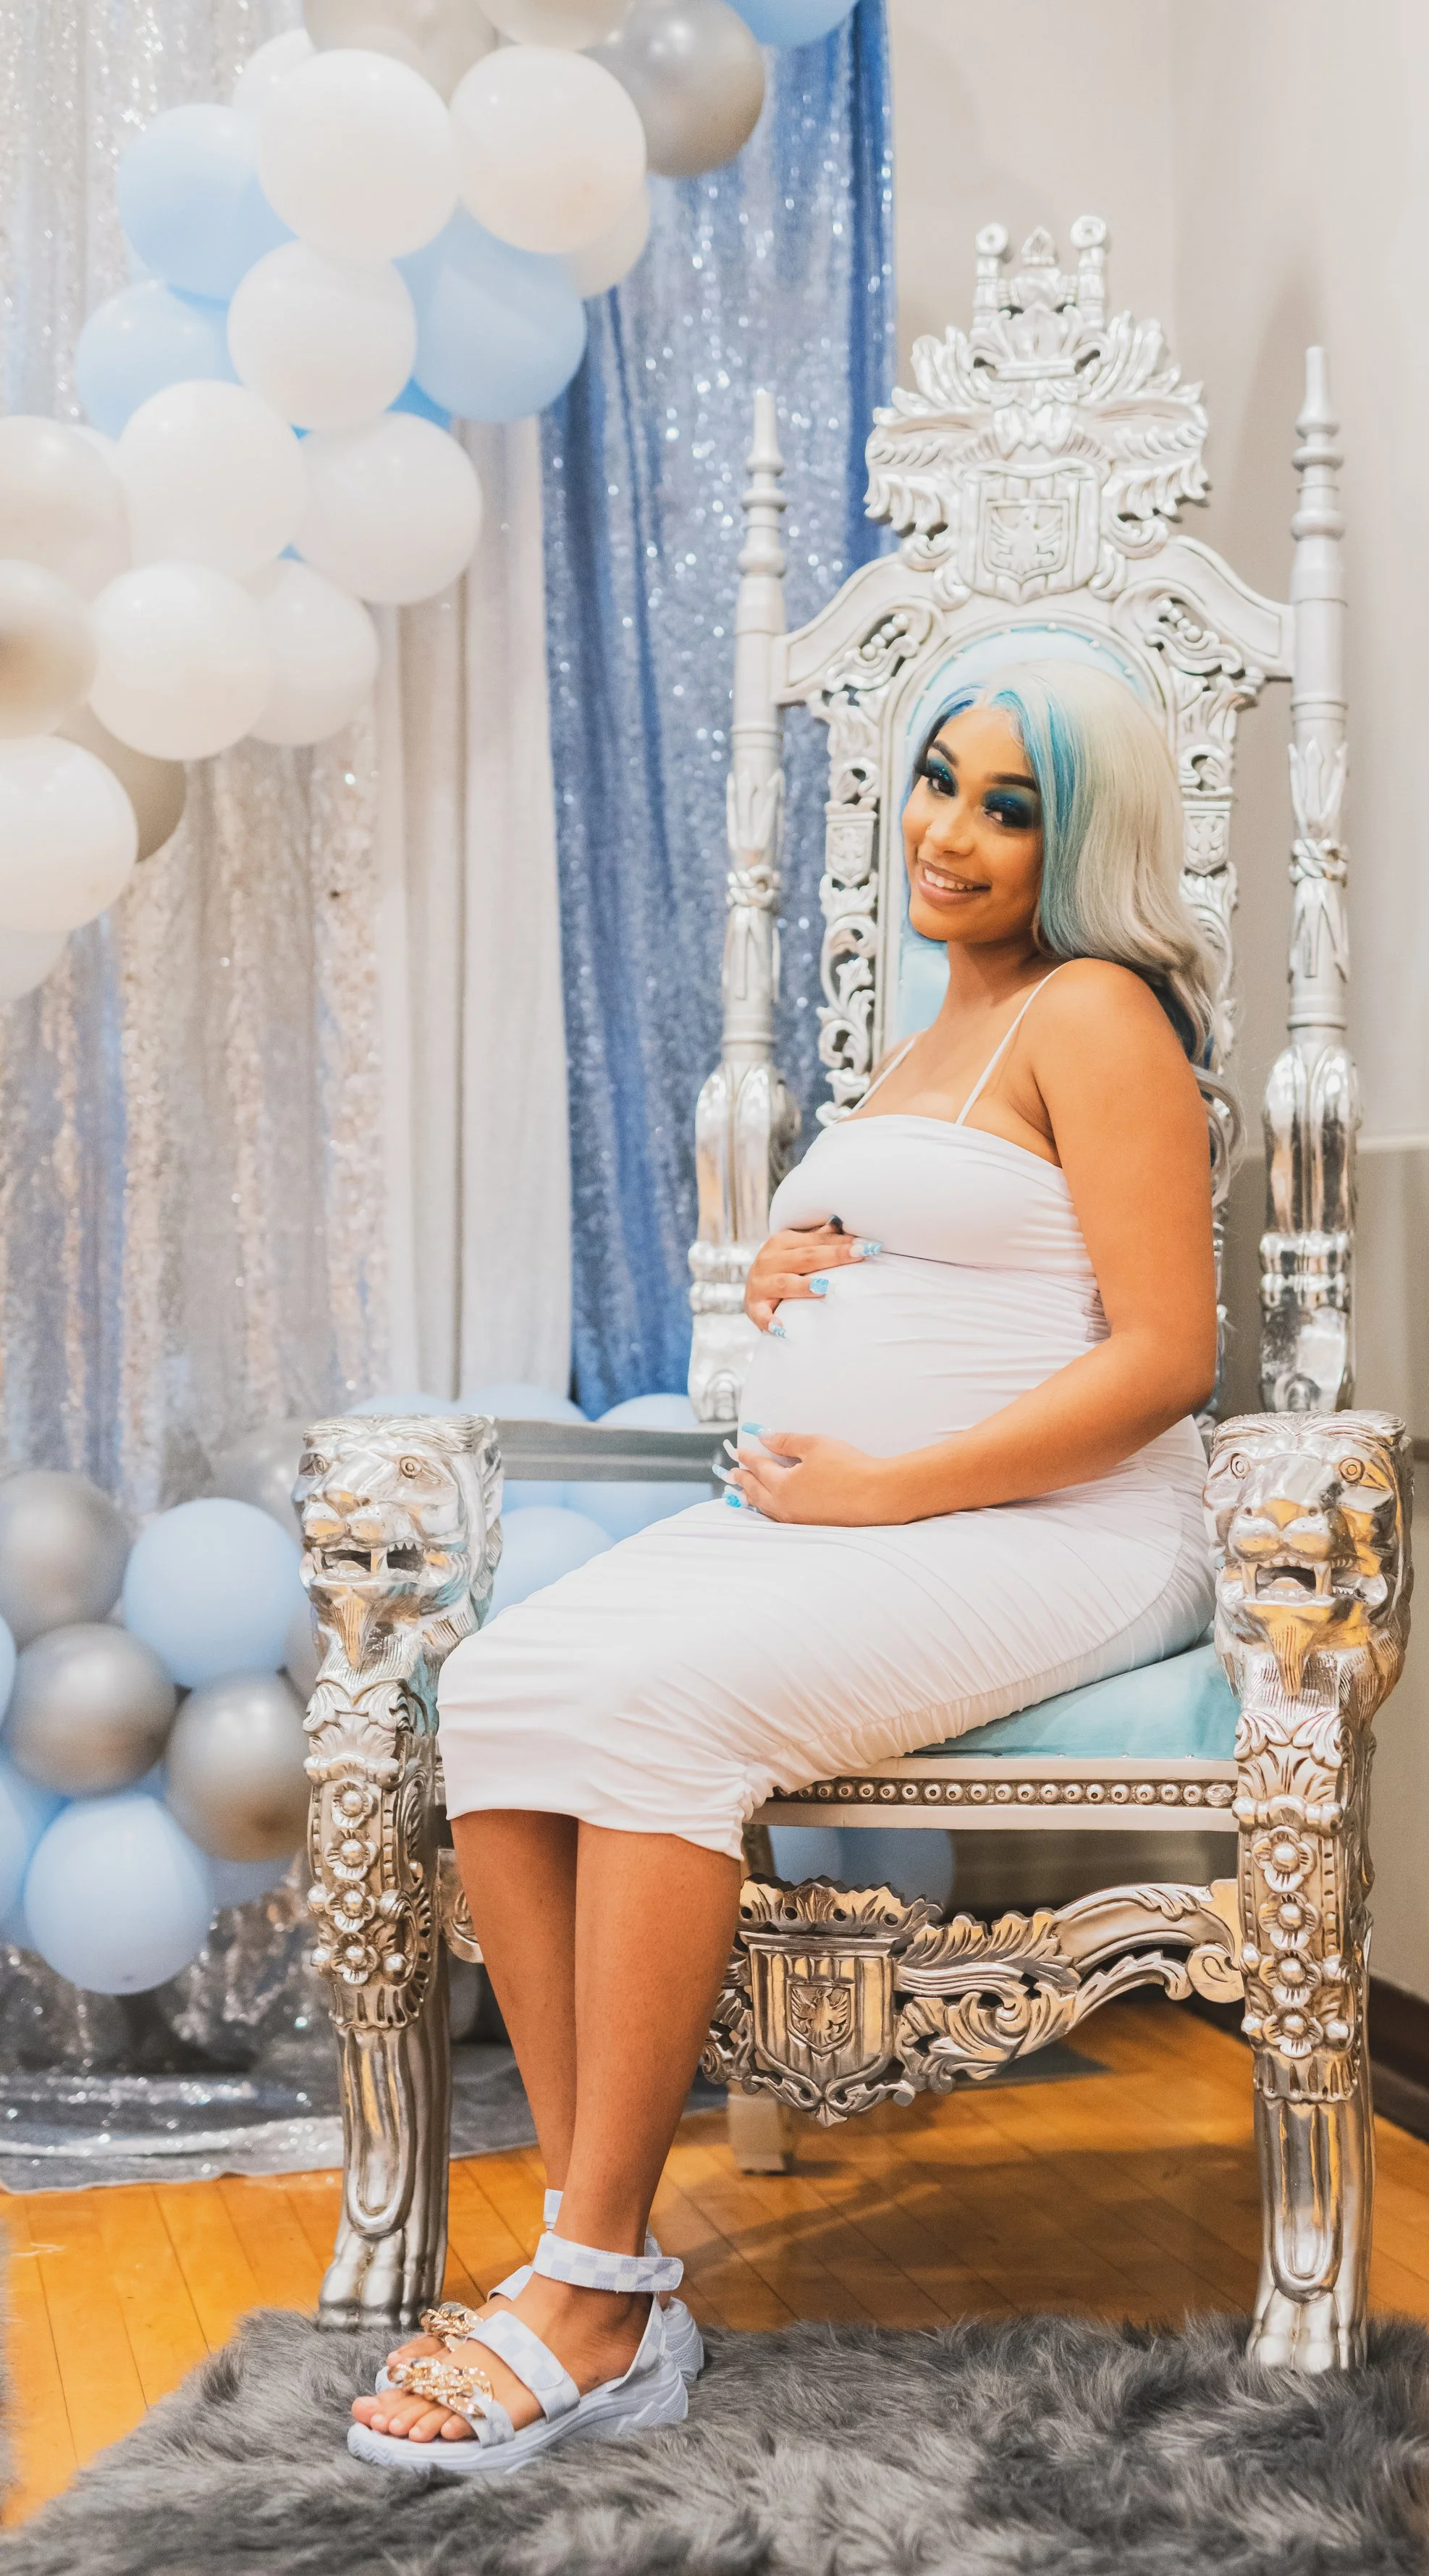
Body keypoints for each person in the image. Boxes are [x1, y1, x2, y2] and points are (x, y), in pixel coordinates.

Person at [347, 659, 1227, 2472]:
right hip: (853, 1519)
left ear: (1085, 846)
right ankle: (615, 2272)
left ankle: (588, 2285)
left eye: (1009, 806)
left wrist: (892, 1485)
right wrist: (784, 1269)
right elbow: (959, 1251)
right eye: (934, 781)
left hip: (1063, 1536)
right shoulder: (924, 1029)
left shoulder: (1097, 1014)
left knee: (667, 1713)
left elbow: (1162, 1359)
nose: (949, 831)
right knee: (500, 1687)